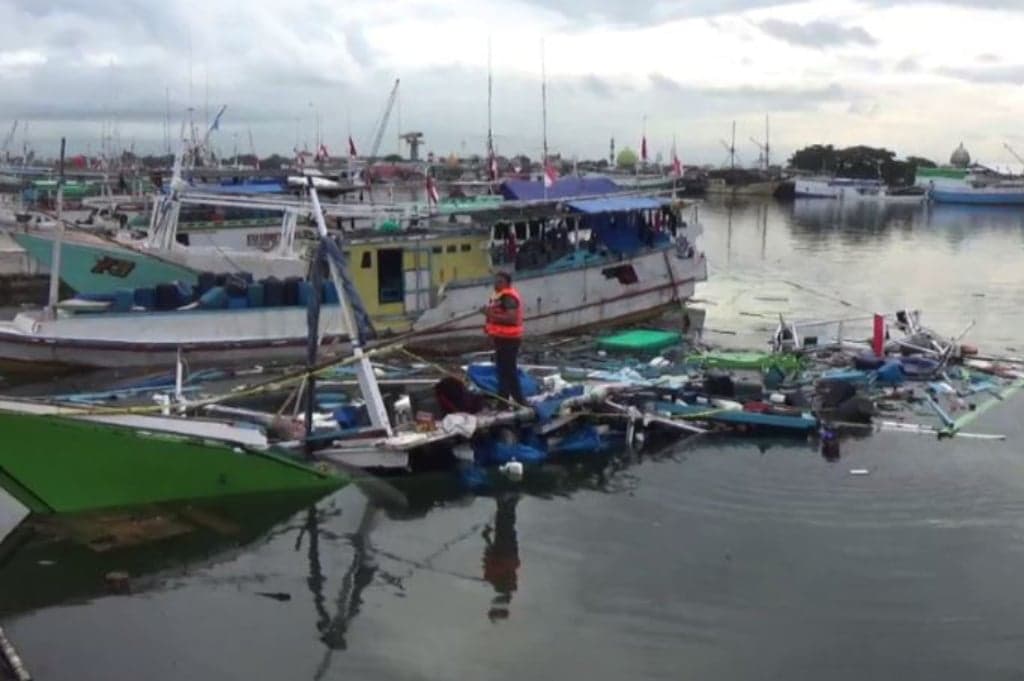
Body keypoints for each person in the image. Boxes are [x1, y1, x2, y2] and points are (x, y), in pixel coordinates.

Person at [484, 271, 525, 406]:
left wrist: (490, 314)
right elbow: (493, 317)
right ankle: (503, 401)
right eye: (495, 281)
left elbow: (511, 318)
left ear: (507, 283)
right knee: (501, 371)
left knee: (509, 371)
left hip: (510, 339)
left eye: (500, 281)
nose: (496, 284)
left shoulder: (509, 297)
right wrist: (489, 331)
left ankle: (520, 401)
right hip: (500, 339)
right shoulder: (497, 297)